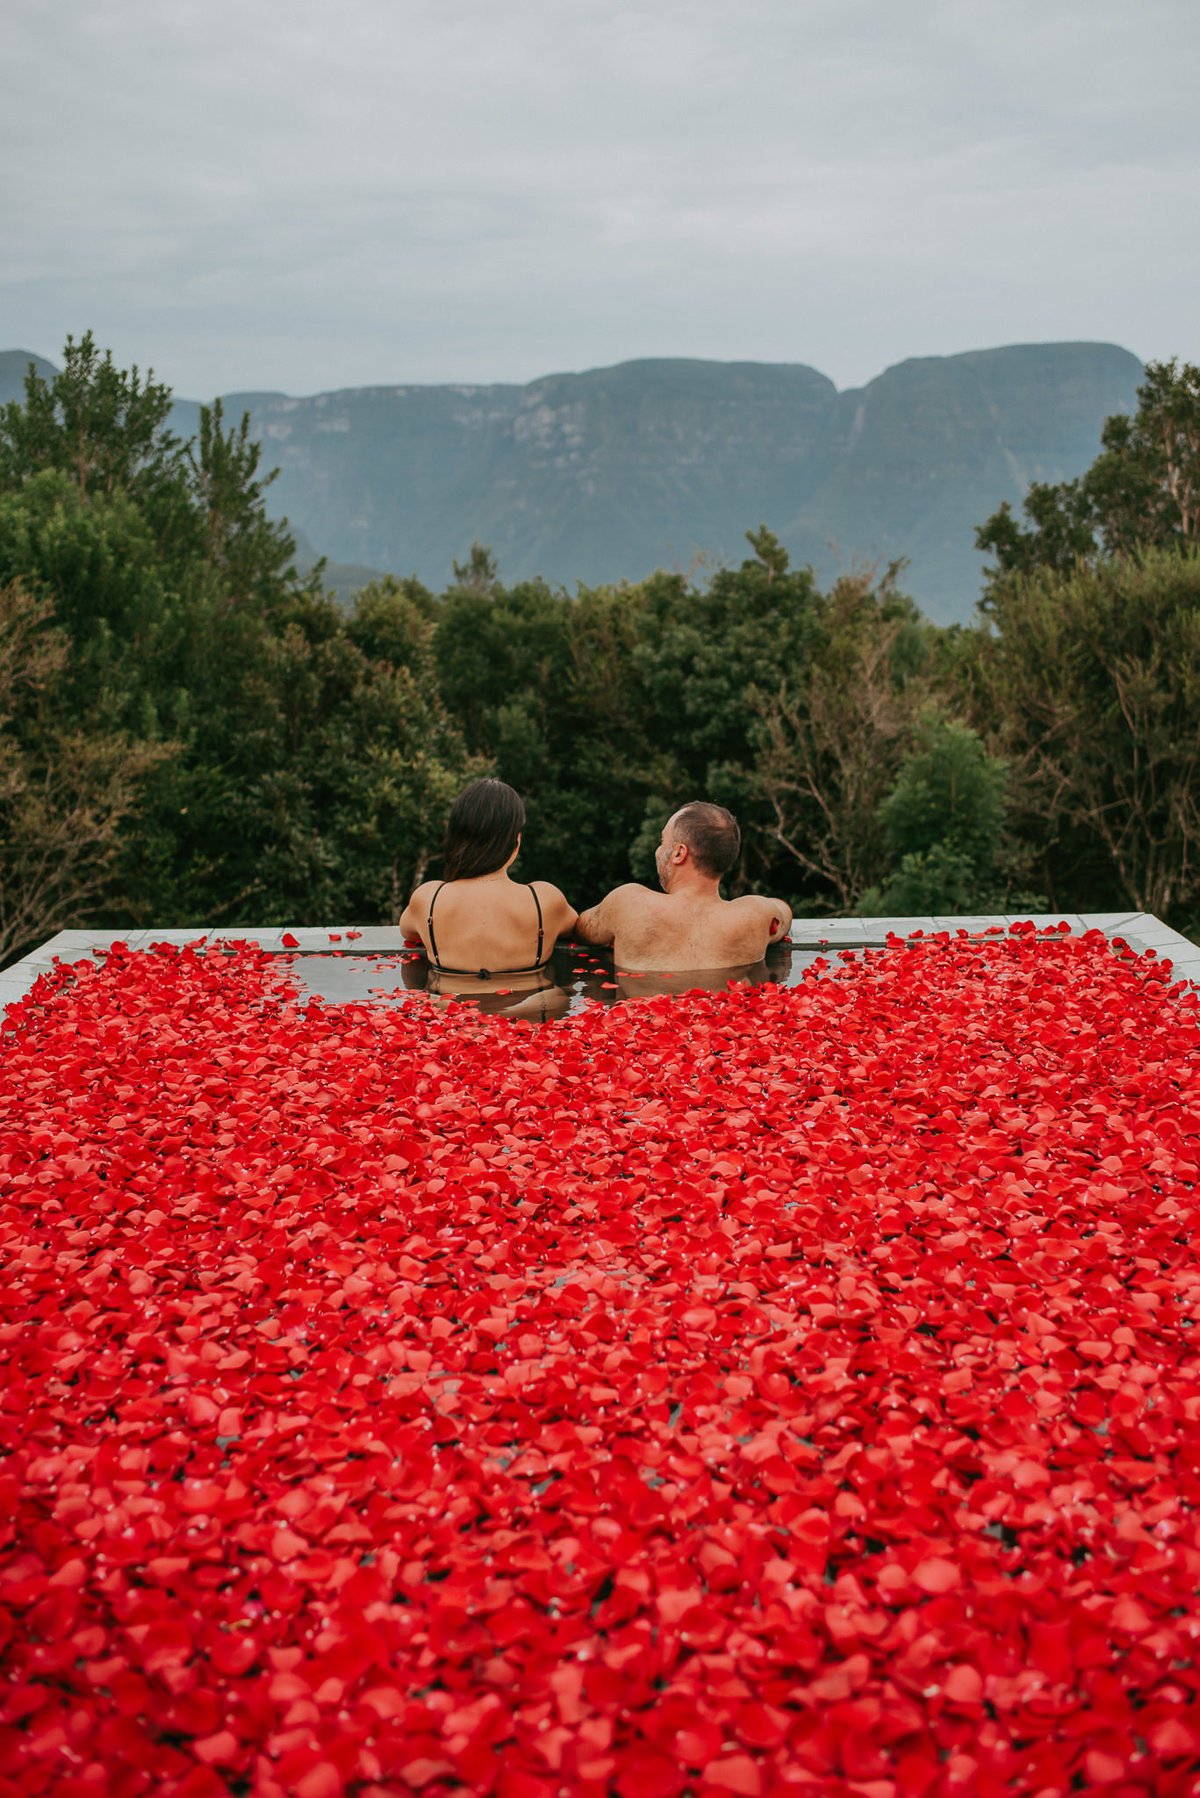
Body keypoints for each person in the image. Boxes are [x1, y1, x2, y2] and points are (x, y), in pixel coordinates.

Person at [399, 779, 576, 1015]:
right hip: (531, 1013)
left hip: (451, 1017)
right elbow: (577, 928)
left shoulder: (428, 899)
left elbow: (408, 932)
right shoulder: (544, 900)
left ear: (455, 838)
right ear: (516, 841)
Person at [575, 801, 791, 974]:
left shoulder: (628, 903)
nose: (658, 851)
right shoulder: (757, 913)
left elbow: (582, 929)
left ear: (678, 853)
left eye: (662, 842)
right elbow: (784, 912)